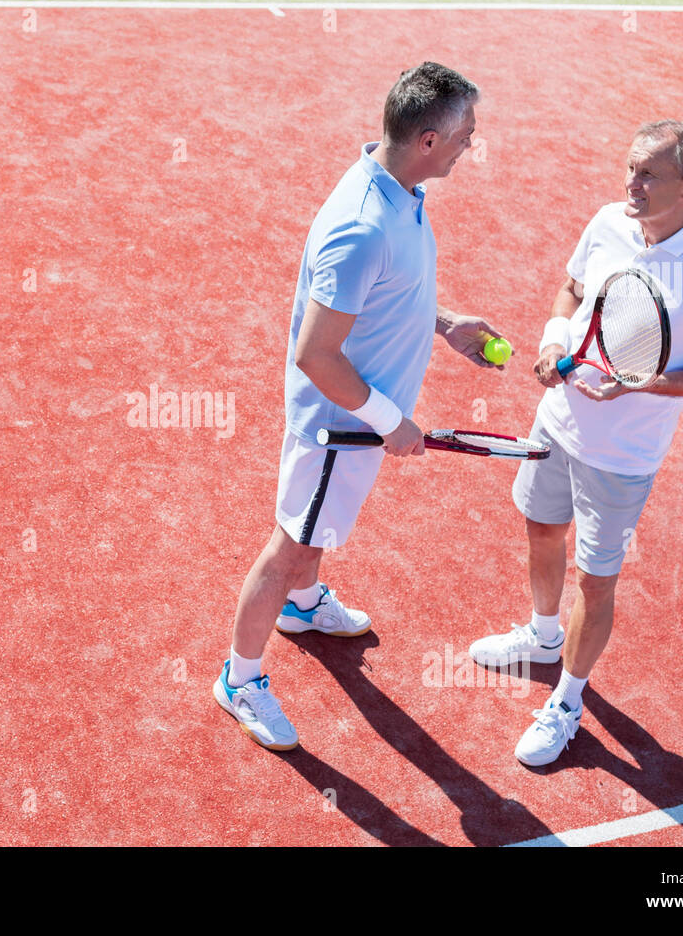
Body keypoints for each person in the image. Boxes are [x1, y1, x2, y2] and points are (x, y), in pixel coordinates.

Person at [214, 61, 505, 751]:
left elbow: (388, 292)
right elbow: (318, 355)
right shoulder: (363, 225)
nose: (474, 142)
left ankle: (304, 605)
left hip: (361, 423)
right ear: (430, 139)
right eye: (466, 131)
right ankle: (240, 676)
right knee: (289, 546)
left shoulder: (397, 189)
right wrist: (389, 422)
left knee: (314, 535)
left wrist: (444, 323)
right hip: (340, 429)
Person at [468, 120, 683, 766]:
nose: (632, 183)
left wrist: (645, 385)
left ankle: (567, 700)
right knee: (541, 527)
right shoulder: (607, 223)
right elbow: (571, 291)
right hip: (558, 422)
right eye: (630, 168)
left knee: (595, 584)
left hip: (622, 459)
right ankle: (541, 638)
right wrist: (552, 342)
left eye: (649, 174)